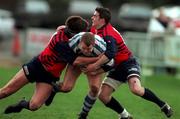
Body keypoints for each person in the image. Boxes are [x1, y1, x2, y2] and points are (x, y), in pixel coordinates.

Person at [81, 7, 173, 119]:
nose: (92, 17)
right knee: (103, 96)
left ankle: (163, 105)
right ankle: (125, 115)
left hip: (128, 63)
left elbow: (110, 53)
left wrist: (94, 66)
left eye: (95, 16)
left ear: (102, 19)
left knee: (136, 89)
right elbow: (83, 36)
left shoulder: (108, 33)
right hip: (116, 66)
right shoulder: (94, 30)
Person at [0, 15, 89, 114]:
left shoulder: (71, 36)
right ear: (74, 34)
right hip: (36, 66)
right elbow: (76, 61)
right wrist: (98, 59)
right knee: (5, 91)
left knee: (34, 106)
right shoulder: (60, 41)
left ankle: (22, 104)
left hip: (50, 76)